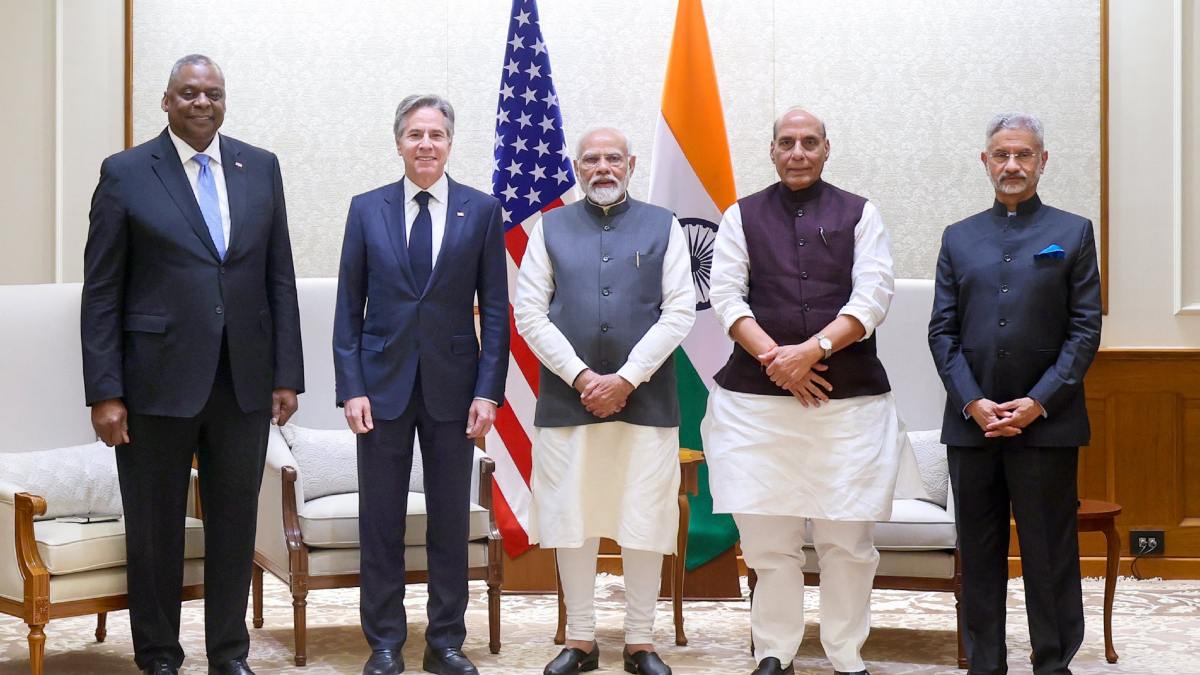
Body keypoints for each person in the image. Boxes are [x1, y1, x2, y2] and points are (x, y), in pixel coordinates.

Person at [81, 54, 304, 675]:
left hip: (243, 381)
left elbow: (277, 277)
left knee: (235, 525)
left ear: (224, 100)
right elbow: (102, 289)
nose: (201, 102)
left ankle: (229, 654)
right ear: (166, 101)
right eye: (188, 93)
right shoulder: (125, 173)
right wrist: (105, 390)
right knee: (156, 530)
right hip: (153, 383)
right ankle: (158, 655)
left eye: (212, 93)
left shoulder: (259, 168)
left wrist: (287, 373)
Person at [703, 108, 910, 675]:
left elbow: (872, 299)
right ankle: (775, 652)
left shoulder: (861, 214)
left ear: (826, 149)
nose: (798, 152)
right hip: (756, 409)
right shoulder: (740, 216)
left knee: (848, 542)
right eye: (787, 143)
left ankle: (846, 654)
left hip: (848, 410)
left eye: (809, 143)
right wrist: (779, 361)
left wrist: (809, 353)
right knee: (770, 544)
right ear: (771, 150)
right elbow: (727, 300)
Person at [333, 94, 508, 675]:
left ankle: (445, 643)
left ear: (450, 143)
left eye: (436, 135)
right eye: (415, 135)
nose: (426, 144)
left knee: (449, 522)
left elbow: (497, 311)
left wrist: (488, 391)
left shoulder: (481, 211)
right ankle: (384, 643)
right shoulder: (366, 209)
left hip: (455, 390)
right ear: (399, 142)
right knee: (379, 521)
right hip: (379, 389)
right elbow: (346, 311)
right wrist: (350, 387)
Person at [514, 127, 695, 675]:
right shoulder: (551, 228)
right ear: (577, 167)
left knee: (644, 516)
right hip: (569, 404)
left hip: (647, 402)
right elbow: (529, 312)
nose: (602, 168)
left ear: (631, 163)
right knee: (572, 515)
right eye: (591, 159)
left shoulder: (663, 225)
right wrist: (582, 377)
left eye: (613, 158)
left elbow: (680, 311)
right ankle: (582, 639)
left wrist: (626, 379)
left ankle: (641, 640)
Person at [928, 112, 1102, 675]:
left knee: (1049, 557)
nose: (1012, 166)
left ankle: (1053, 664)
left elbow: (1084, 330)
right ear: (985, 162)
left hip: (1047, 426)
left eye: (1023, 155)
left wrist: (1038, 401)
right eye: (1001, 155)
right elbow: (942, 331)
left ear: (1042, 161)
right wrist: (974, 403)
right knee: (978, 557)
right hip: (971, 427)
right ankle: (986, 666)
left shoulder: (1072, 232)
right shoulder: (958, 237)